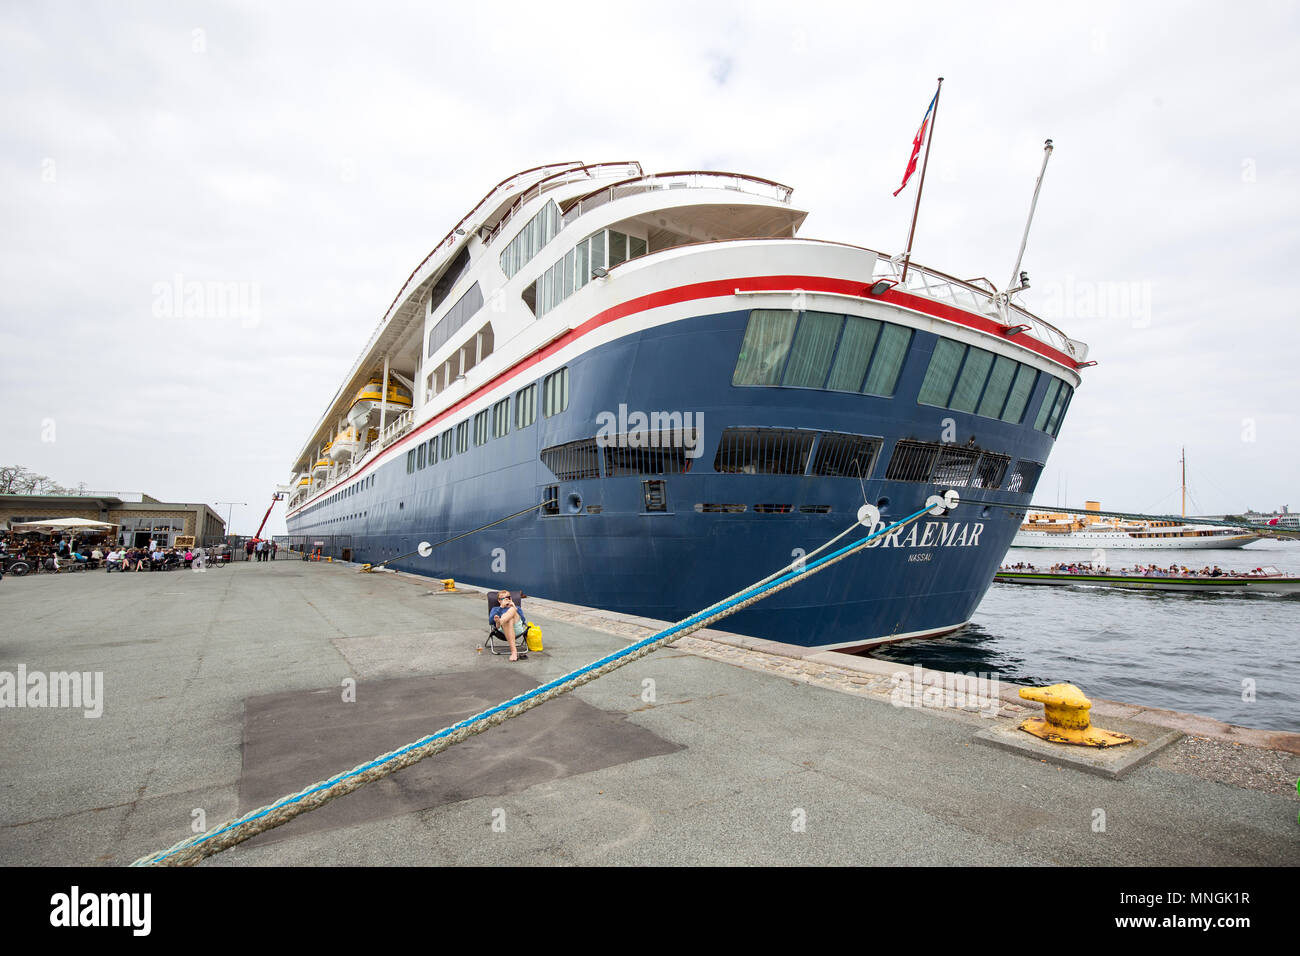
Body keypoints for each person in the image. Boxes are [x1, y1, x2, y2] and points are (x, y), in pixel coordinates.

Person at [489, 590, 528, 661]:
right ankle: (514, 652)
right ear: (499, 601)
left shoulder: (517, 607)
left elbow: (523, 620)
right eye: (503, 598)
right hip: (503, 630)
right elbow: (491, 621)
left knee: (511, 610)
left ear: (511, 599)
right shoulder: (496, 609)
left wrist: (515, 608)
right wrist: (501, 608)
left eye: (508, 597)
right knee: (508, 619)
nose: (506, 600)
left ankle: (501, 621)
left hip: (517, 628)